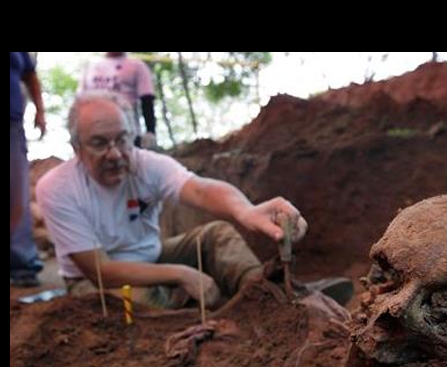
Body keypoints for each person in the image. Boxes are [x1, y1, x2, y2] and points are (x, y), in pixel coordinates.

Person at [37, 91, 353, 309]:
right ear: (76, 147)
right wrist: (181, 274)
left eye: (122, 139)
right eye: (99, 144)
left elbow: (200, 189)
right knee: (142, 300)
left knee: (217, 236)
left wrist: (245, 210)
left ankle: (268, 299)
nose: (116, 153)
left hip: (154, 255)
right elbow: (100, 270)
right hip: (95, 284)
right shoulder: (57, 188)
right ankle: (218, 318)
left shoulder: (146, 164)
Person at [10, 52, 46, 287]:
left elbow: (30, 74)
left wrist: (40, 111)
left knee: (16, 195)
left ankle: (22, 265)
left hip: (11, 124)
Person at [78, 52, 157, 149]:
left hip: (127, 132)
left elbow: (147, 100)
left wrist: (150, 131)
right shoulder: (90, 67)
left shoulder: (137, 66)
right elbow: (80, 102)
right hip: (95, 132)